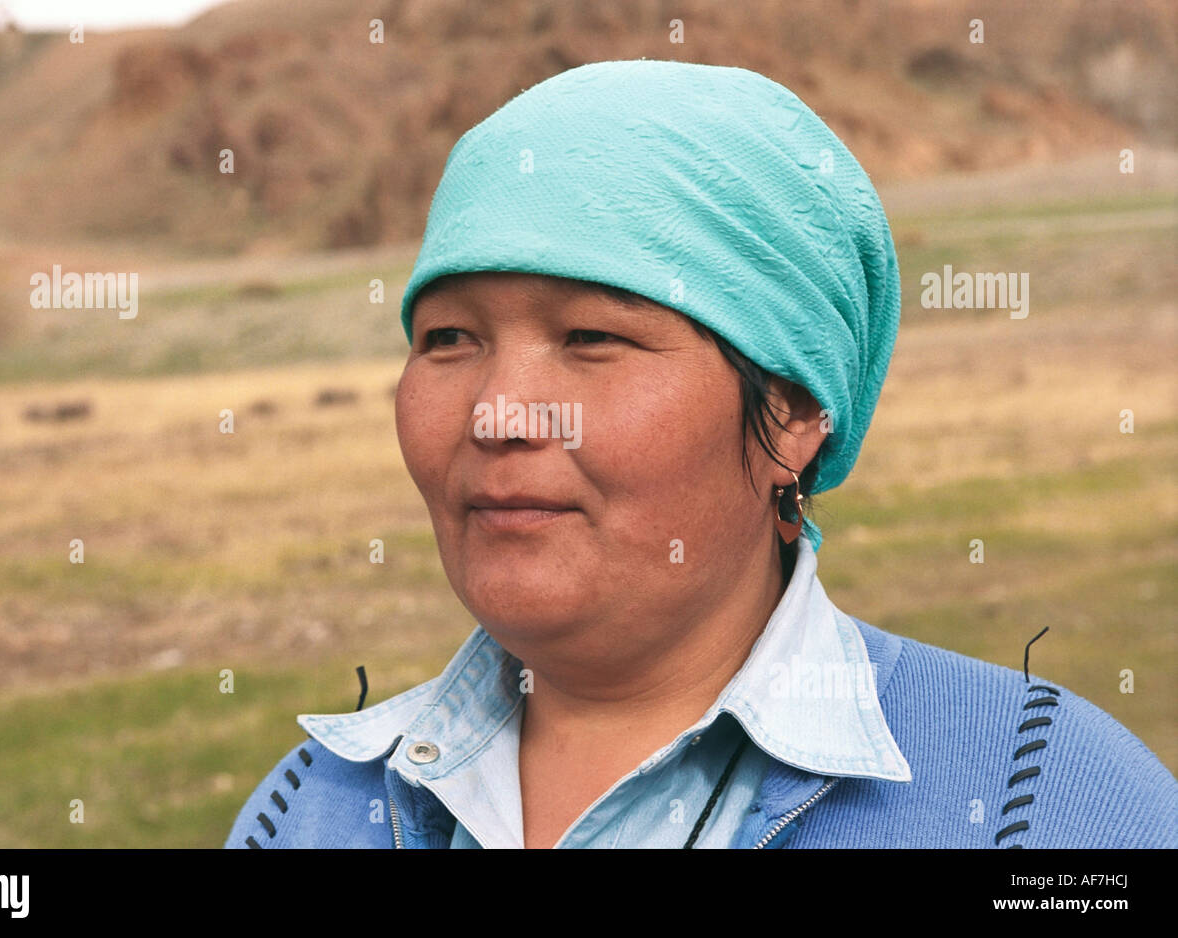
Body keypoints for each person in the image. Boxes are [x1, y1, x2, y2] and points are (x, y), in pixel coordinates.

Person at [226, 60, 1177, 848]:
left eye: (593, 337)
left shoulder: (1044, 809)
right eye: (447, 339)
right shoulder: (308, 811)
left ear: (797, 407)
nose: (498, 413)